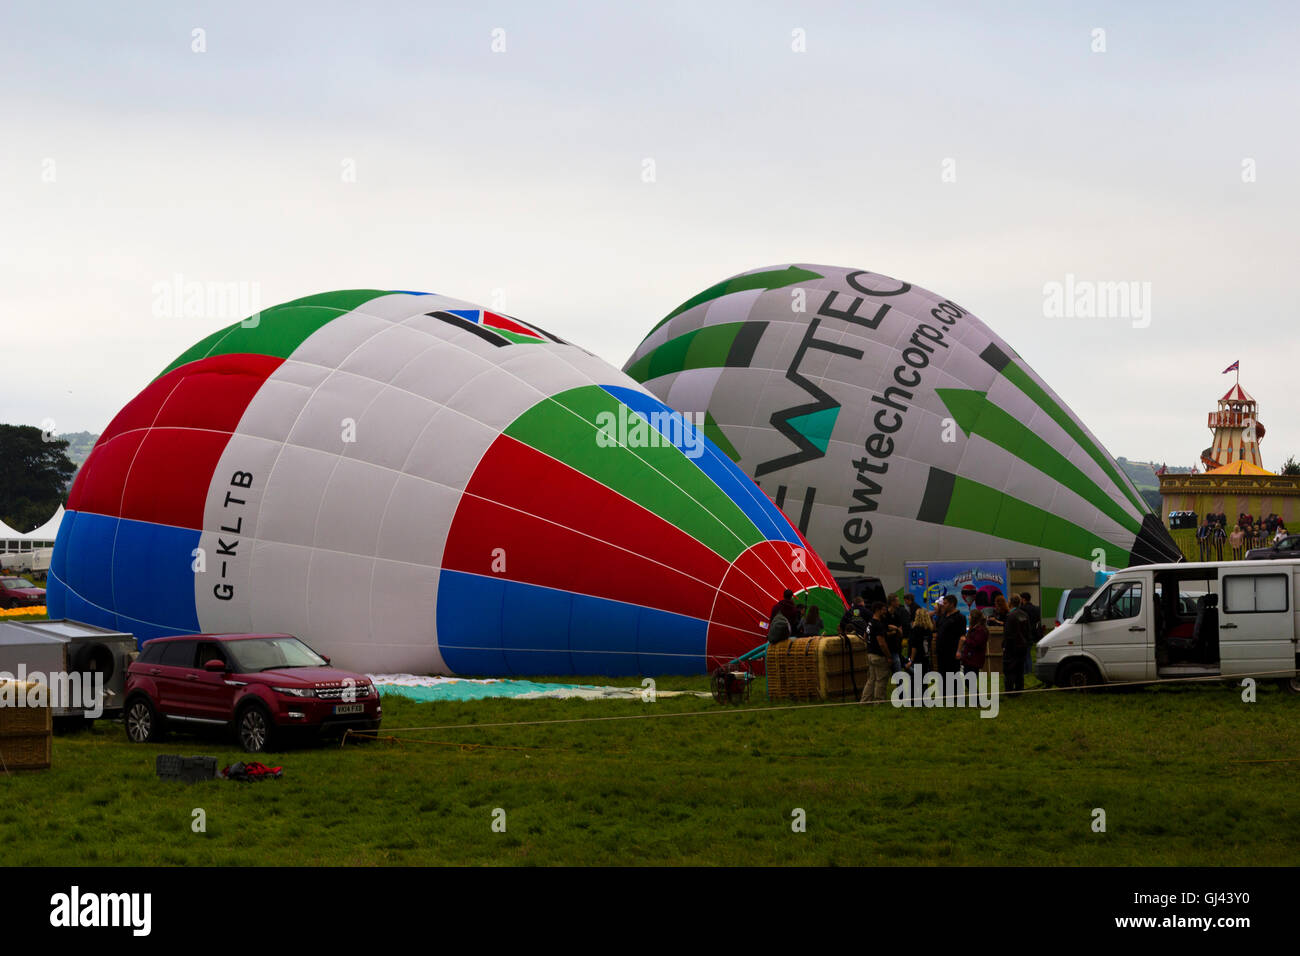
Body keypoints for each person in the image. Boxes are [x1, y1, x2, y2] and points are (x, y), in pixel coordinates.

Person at [860, 601, 898, 703]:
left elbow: (865, 636)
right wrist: (889, 656)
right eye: (883, 610)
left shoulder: (870, 622)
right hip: (879, 656)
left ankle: (865, 701)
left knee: (871, 680)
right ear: (878, 610)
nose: (885, 611)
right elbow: (881, 643)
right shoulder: (878, 624)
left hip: (870, 654)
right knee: (881, 680)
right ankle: (879, 702)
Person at [956, 608, 988, 704]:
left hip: (975, 658)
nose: (968, 617)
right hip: (970, 658)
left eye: (970, 615)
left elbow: (977, 643)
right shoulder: (975, 628)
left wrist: (965, 640)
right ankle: (975, 699)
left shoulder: (980, 630)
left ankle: (977, 700)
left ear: (974, 618)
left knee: (969, 679)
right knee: (969, 679)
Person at [1002, 596, 1030, 693]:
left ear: (1010, 603)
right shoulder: (1025, 614)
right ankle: (1019, 688)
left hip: (1012, 647)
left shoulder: (1010, 615)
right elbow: (1027, 631)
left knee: (1009, 669)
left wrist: (1004, 646)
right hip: (1023, 646)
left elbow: (1008, 633)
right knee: (1020, 669)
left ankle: (1009, 690)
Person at [907, 605, 934, 704]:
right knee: (924, 678)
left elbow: (914, 646)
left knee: (915, 679)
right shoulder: (929, 629)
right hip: (925, 656)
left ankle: (914, 699)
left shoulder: (916, 629)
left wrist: (911, 659)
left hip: (917, 657)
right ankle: (924, 698)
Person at [934, 594, 965, 679]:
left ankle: (953, 691)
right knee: (942, 676)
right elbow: (937, 629)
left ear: (952, 604)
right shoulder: (943, 616)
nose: (943, 605)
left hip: (952, 652)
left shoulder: (959, 617)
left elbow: (962, 636)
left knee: (951, 676)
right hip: (941, 652)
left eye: (945, 603)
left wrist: (958, 651)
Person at [1019, 591, 1041, 675]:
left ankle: (1026, 671)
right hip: (1033, 633)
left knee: (1025, 654)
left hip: (1024, 633)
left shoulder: (1022, 609)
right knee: (1028, 653)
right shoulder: (1036, 608)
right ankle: (1030, 670)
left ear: (1023, 599)